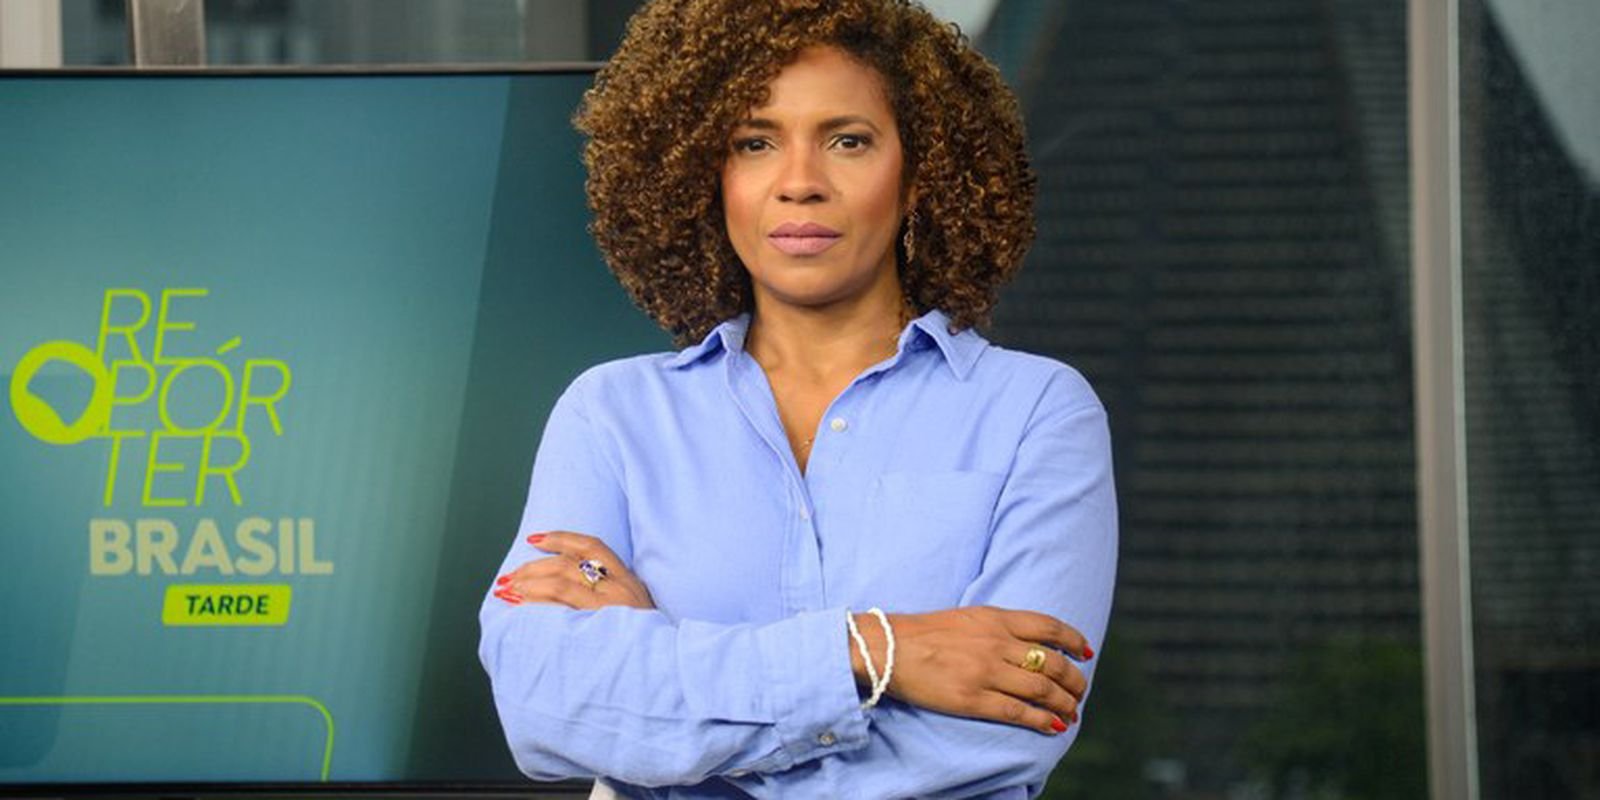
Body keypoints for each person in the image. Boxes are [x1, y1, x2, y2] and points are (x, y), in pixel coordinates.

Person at [478, 0, 1117, 797]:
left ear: (920, 173)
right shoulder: (612, 414)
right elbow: (546, 707)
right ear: (704, 174)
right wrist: (875, 651)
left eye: (848, 141)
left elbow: (1002, 736)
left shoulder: (1036, 412)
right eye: (755, 143)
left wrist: (666, 691)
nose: (800, 184)